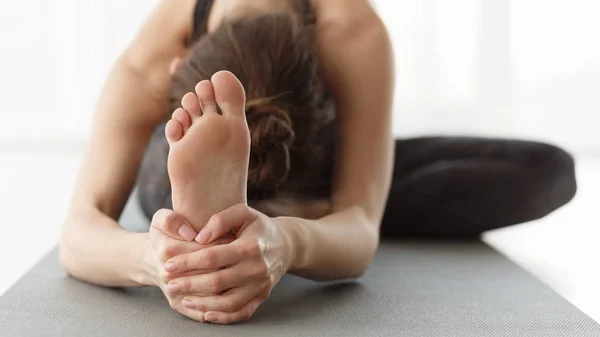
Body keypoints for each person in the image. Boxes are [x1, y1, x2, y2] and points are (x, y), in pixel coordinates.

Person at [59, 0, 577, 325]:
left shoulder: (351, 32)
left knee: (545, 171)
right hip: (288, 183)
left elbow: (83, 237)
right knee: (161, 172)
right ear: (179, 66)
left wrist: (286, 240)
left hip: (317, 164)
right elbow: (79, 231)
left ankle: (286, 205)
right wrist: (156, 259)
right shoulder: (155, 51)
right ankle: (286, 209)